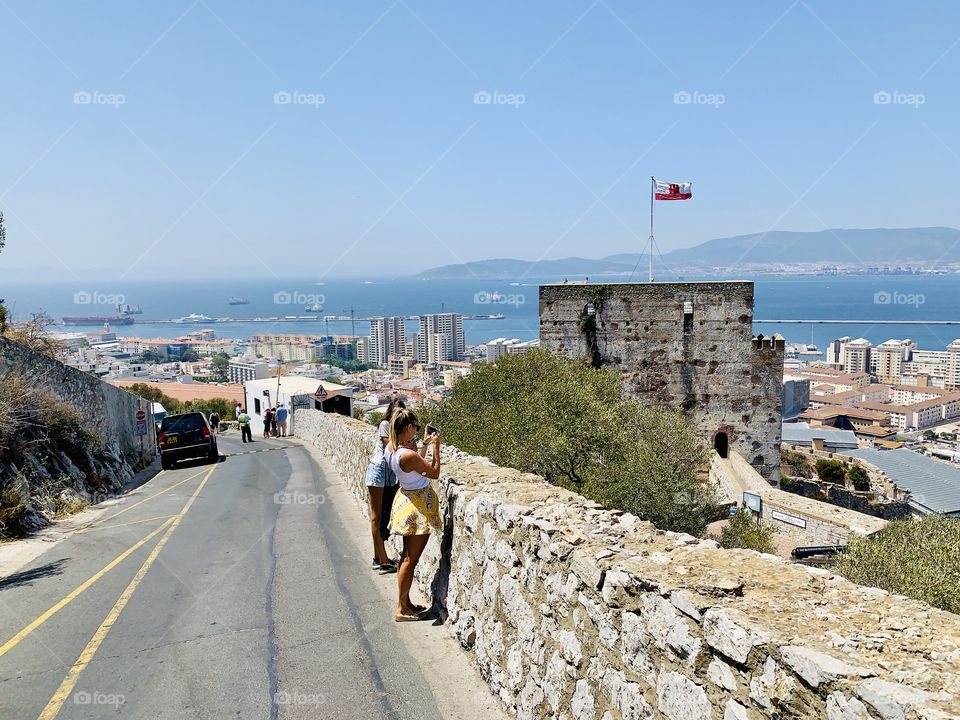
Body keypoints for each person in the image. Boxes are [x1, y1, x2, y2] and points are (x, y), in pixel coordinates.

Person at [386, 408, 441, 622]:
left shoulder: (393, 449)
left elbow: (416, 467)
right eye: (416, 428)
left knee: (406, 556)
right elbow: (433, 472)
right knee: (411, 558)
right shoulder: (407, 455)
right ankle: (401, 609)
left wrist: (425, 444)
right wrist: (437, 446)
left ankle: (406, 602)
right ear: (408, 428)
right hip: (417, 506)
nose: (417, 431)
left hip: (406, 499)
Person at [364, 398, 405, 574]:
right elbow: (390, 446)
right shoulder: (385, 425)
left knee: (383, 518)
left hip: (390, 477)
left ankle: (377, 558)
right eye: (396, 412)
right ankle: (384, 562)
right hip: (378, 472)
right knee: (376, 518)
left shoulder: (399, 430)